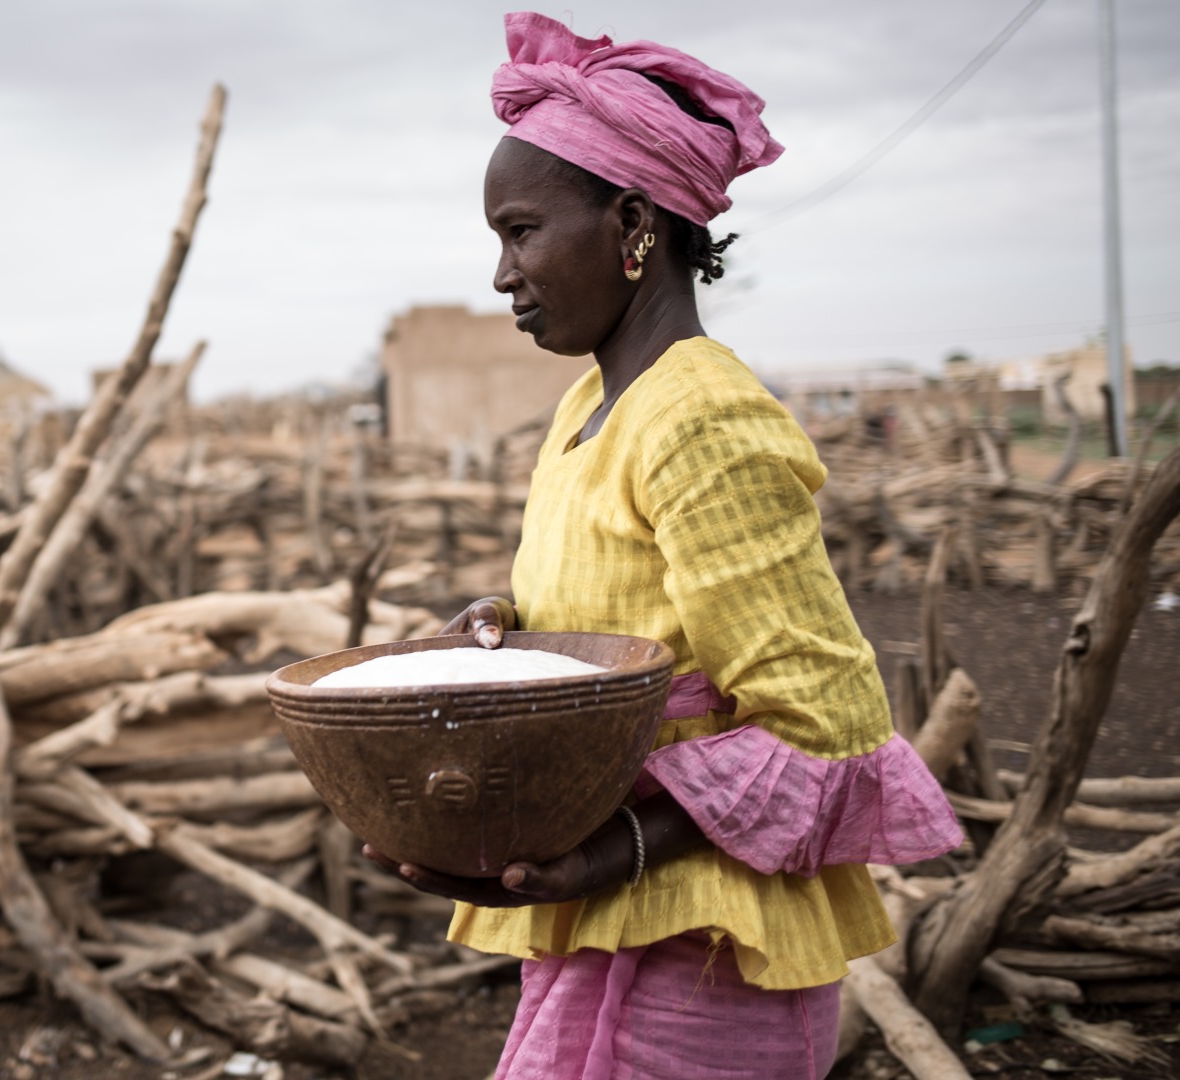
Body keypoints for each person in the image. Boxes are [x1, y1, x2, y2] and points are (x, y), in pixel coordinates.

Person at [359, 13, 962, 1079]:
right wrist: (507, 631)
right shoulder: (593, 405)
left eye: (521, 231)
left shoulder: (701, 419)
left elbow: (824, 719)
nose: (502, 274)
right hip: (611, 919)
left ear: (632, 221)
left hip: (705, 946)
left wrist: (621, 848)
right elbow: (629, 620)